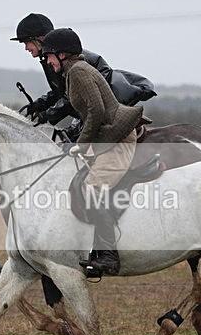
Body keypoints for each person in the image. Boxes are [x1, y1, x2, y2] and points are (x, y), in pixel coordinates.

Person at [40, 28, 143, 276]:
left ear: (62, 54)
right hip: (106, 138)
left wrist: (83, 143)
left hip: (118, 139)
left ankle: (108, 256)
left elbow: (96, 111)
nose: (47, 61)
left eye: (49, 56)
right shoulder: (74, 71)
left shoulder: (78, 71)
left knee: (91, 189)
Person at [10, 13, 155, 136]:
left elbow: (72, 95)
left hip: (105, 114)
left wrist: (48, 114)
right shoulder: (53, 58)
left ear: (40, 39)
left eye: (26, 42)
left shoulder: (71, 62)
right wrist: (39, 104)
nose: (26, 48)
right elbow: (62, 91)